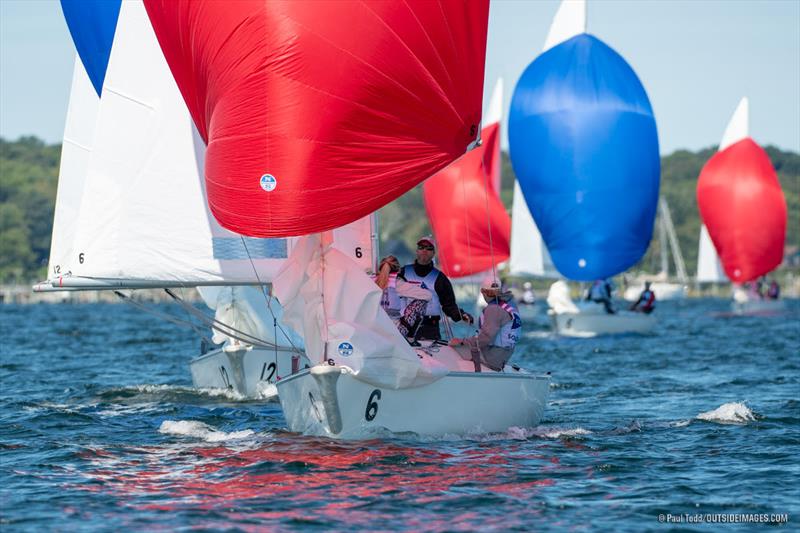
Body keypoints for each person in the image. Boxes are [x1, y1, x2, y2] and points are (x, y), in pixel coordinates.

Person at [398, 236, 473, 340]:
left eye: (429, 248)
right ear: (417, 251)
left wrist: (461, 315)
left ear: (433, 253)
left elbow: (449, 305)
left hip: (429, 328)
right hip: (405, 326)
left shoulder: (440, 278)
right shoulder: (403, 272)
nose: (424, 250)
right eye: (421, 247)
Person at [450, 276, 521, 372]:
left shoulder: (493, 309)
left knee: (451, 350)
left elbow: (485, 338)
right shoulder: (510, 304)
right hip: (503, 356)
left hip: (491, 358)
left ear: (483, 291)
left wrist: (461, 342)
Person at [374, 255, 432, 338]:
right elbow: (428, 295)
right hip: (395, 332)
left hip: (373, 331)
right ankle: (411, 338)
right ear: (398, 270)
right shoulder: (397, 283)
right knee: (421, 302)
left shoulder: (369, 281)